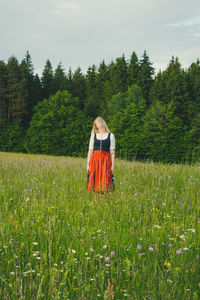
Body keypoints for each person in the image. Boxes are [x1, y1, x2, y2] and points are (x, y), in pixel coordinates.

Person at [86, 116, 115, 193]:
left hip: (106, 159)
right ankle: (95, 201)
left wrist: (113, 165)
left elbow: (112, 152)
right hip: (95, 159)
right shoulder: (93, 136)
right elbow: (90, 151)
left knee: (105, 179)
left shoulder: (110, 135)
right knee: (95, 179)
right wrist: (87, 165)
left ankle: (104, 200)